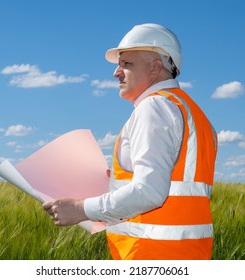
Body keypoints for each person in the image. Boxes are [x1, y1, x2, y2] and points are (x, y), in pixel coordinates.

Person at [43, 23, 218, 260]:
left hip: (150, 255)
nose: (116, 72)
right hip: (187, 254)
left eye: (126, 64)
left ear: (156, 68)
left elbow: (149, 191)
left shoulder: (154, 107)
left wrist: (80, 209)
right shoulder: (193, 113)